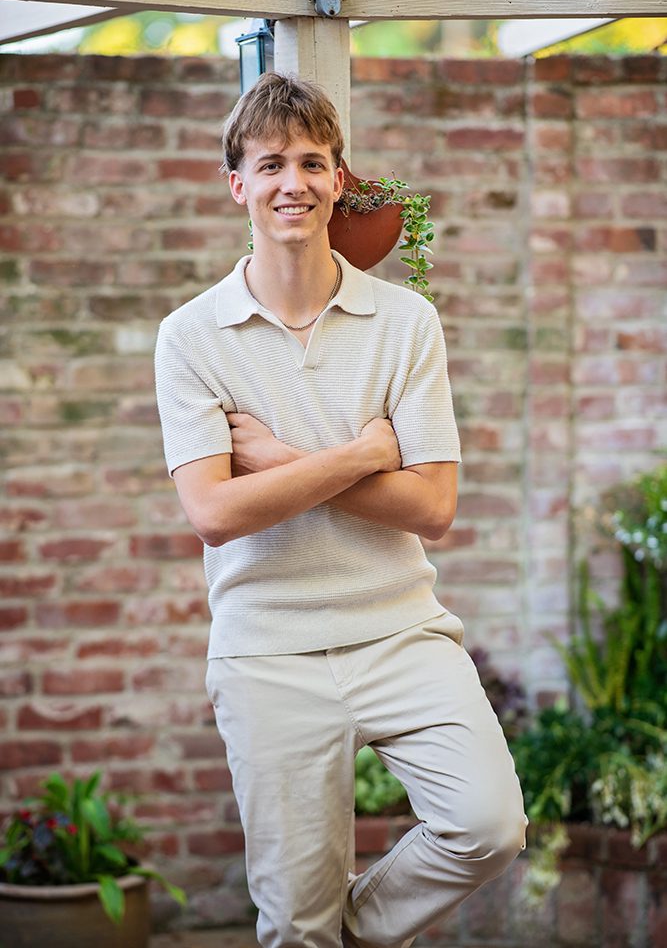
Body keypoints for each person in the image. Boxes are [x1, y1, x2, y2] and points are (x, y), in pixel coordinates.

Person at [154, 72, 526, 948]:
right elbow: (212, 510)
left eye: (315, 162)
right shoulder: (192, 336)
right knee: (293, 922)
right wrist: (360, 454)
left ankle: (346, 929)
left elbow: (432, 506)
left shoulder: (406, 323)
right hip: (267, 649)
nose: (296, 182)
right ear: (236, 183)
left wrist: (281, 462)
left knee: (487, 826)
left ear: (340, 180)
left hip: (401, 631)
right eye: (272, 163)